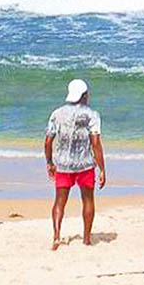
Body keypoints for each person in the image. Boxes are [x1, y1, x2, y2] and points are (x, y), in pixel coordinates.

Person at [45, 79, 106, 250]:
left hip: (63, 165)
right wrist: (102, 168)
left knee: (59, 202)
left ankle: (56, 237)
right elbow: (95, 142)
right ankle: (86, 239)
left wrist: (49, 162)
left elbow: (48, 141)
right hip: (85, 164)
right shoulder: (92, 115)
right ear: (84, 95)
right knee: (88, 200)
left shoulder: (57, 113)